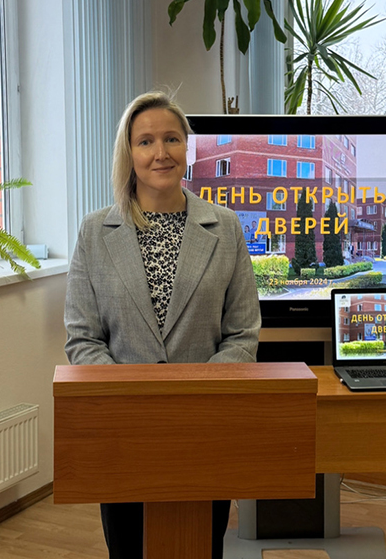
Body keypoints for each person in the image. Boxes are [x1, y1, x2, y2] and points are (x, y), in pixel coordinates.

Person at [64, 91, 261, 559]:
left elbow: (242, 333)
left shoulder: (226, 227)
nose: (161, 153)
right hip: (124, 430)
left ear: (187, 147)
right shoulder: (94, 232)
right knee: (128, 549)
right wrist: (134, 401)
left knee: (200, 548)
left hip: (204, 426)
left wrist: (194, 396)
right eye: (146, 141)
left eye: (172, 139)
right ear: (129, 153)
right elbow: (83, 337)